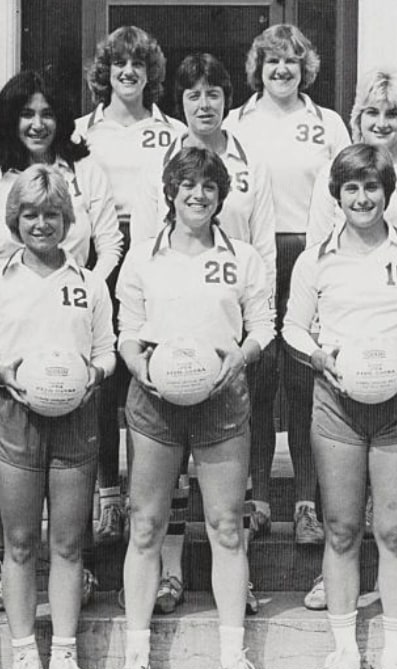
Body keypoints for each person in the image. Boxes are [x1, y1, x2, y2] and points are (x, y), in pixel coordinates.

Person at [284, 144, 397, 669]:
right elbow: (292, 327)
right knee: (341, 527)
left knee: (396, 530)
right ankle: (344, 649)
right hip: (337, 402)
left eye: (371, 187)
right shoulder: (316, 259)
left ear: (387, 192)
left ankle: (396, 652)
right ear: (337, 195)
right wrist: (318, 357)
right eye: (351, 188)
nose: (362, 198)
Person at [0, 69, 122, 610]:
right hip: (11, 336)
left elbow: (111, 243)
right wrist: (0, 299)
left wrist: (88, 285)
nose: (37, 123)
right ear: (11, 119)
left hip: (70, 325)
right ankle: (7, 566)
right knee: (12, 453)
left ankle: (80, 565)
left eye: (47, 113)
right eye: (27, 113)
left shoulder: (85, 171)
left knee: (76, 445)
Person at [115, 147, 274, 669]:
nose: (198, 195)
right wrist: (139, 365)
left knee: (227, 526)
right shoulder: (143, 256)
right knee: (146, 526)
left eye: (209, 186)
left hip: (221, 397)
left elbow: (263, 325)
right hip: (156, 399)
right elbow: (127, 330)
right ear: (171, 192)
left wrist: (242, 357)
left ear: (220, 195)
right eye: (188, 185)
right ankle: (136, 657)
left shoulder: (243, 257)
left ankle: (233, 657)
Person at [0, 164, 116, 669]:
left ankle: (66, 653)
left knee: (68, 543)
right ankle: (25, 653)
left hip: (74, 420)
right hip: (16, 419)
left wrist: (94, 374)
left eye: (51, 214)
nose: (41, 224)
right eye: (30, 214)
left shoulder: (89, 284)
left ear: (67, 219)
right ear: (15, 220)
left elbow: (106, 351)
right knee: (21, 542)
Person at [130, 52, 276, 615]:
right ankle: (168, 573)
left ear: (227, 100)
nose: (205, 103)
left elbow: (263, 248)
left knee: (225, 476)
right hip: (171, 335)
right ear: (181, 102)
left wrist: (249, 339)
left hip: (229, 329)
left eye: (214, 93)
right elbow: (147, 251)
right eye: (193, 94)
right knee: (165, 477)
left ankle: (237, 579)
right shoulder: (160, 165)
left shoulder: (250, 161)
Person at [303, 68, 397, 614]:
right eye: (372, 113)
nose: (382, 122)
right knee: (341, 456)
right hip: (346, 335)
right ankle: (336, 571)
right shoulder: (338, 172)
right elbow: (320, 250)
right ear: (357, 118)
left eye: (392, 113)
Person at [224, 23, 351, 545]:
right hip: (252, 255)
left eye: (291, 61)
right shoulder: (236, 122)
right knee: (256, 377)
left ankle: (305, 504)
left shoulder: (327, 123)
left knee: (303, 380)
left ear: (305, 68)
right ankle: (256, 498)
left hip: (307, 250)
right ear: (258, 68)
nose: (281, 70)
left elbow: (346, 189)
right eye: (272, 61)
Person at [76, 26, 185, 546]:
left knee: (148, 373)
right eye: (119, 63)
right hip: (98, 253)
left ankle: (148, 493)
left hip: (152, 253)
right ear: (105, 72)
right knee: (102, 378)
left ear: (150, 73)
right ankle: (108, 497)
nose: (128, 72)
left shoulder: (172, 131)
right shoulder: (81, 132)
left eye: (138, 64)